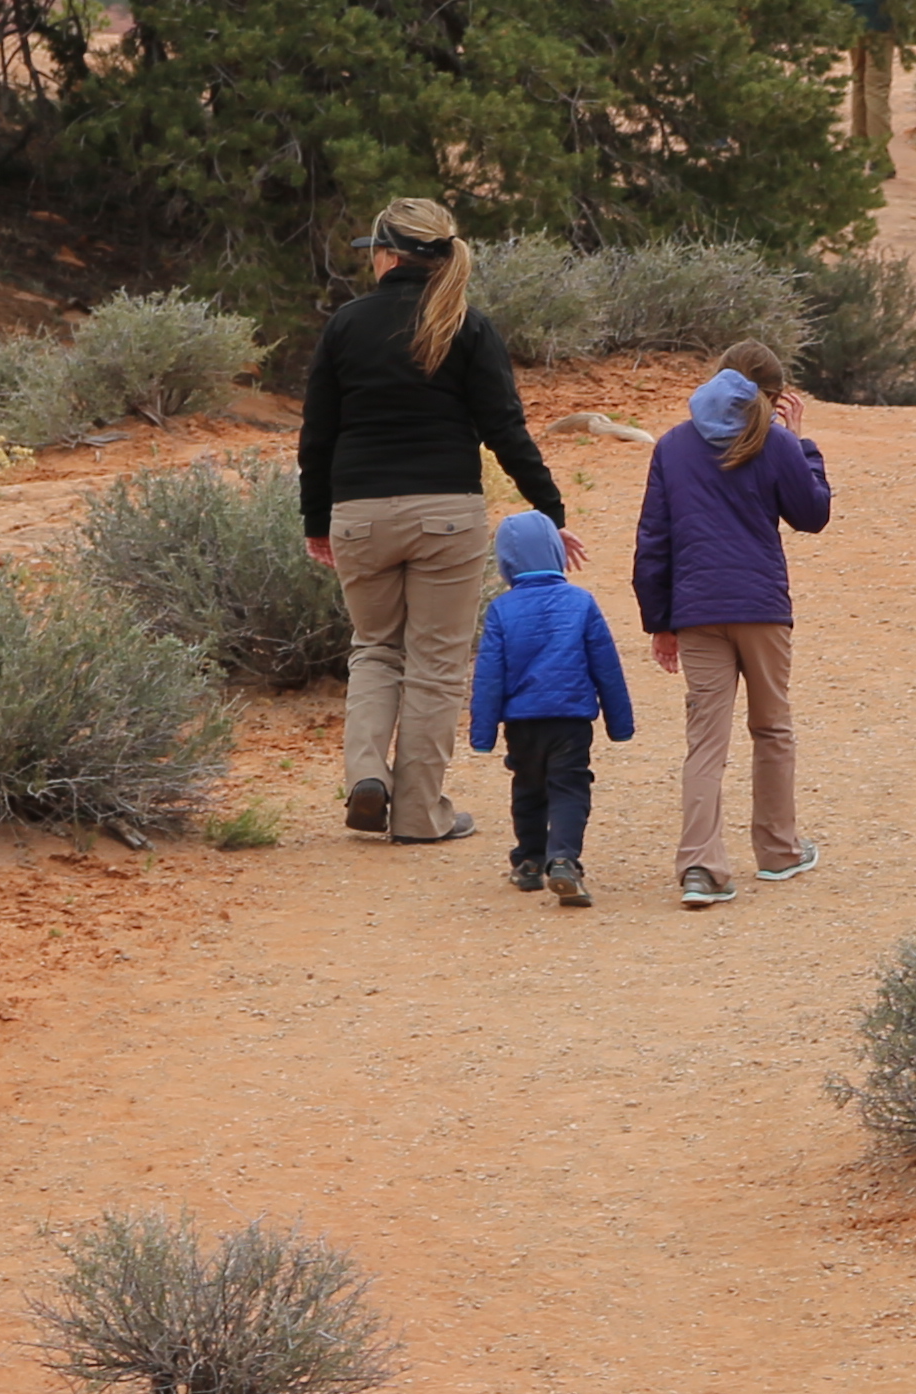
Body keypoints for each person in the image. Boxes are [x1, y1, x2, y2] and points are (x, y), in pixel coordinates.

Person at [296, 195, 568, 844]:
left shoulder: (346, 326)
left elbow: (317, 437)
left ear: (387, 255)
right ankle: (420, 817)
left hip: (359, 513)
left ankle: (367, 775)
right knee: (437, 664)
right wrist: (549, 509)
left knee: (374, 649)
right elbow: (505, 430)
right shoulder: (467, 326)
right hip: (448, 514)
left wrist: (316, 520)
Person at [631, 336, 830, 908]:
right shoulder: (773, 440)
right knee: (771, 729)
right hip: (762, 609)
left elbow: (654, 541)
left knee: (705, 743)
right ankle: (778, 850)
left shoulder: (673, 445)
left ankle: (701, 869)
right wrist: (801, 442)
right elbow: (812, 514)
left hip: (696, 612)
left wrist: (659, 621)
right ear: (771, 394)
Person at [465, 505, 633, 905]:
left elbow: (489, 676)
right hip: (571, 719)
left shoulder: (502, 610)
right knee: (569, 786)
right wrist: (619, 723)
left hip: (523, 723)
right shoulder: (581, 602)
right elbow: (606, 666)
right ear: (557, 554)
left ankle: (528, 861)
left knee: (527, 786)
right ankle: (563, 860)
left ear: (505, 564)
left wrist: (483, 733)